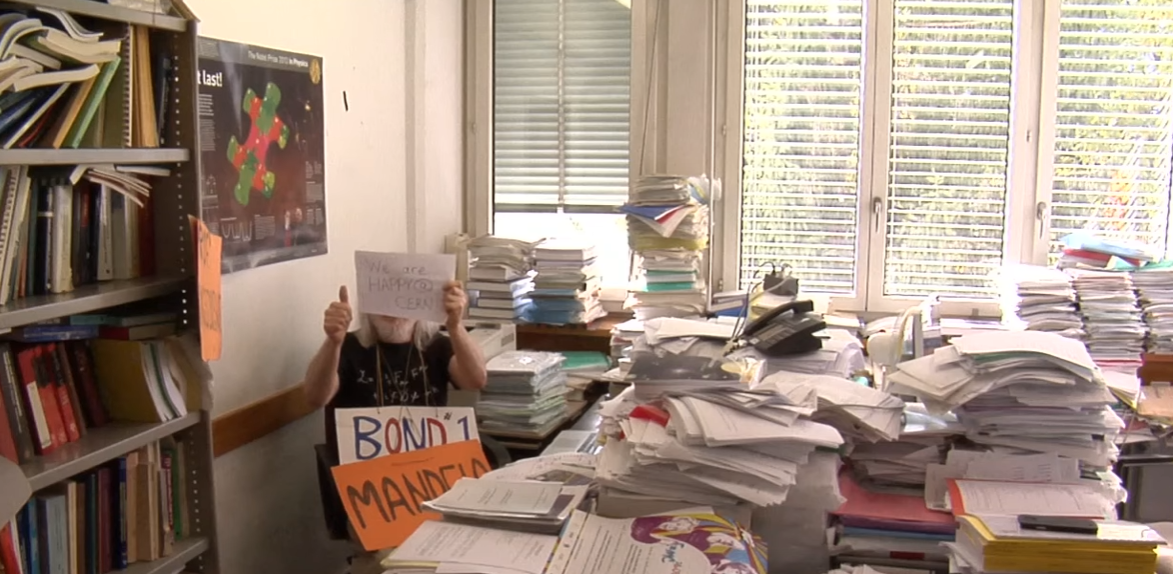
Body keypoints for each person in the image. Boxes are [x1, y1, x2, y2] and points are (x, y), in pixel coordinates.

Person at [303, 281, 488, 456]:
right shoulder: (347, 347)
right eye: (384, 298)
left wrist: (455, 326)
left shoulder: (437, 346)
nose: (394, 309)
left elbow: (476, 380)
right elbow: (315, 398)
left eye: (406, 300)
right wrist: (333, 342)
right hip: (363, 468)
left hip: (426, 464)